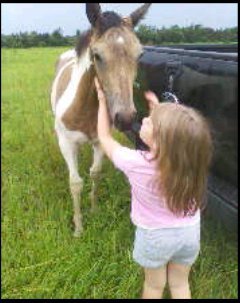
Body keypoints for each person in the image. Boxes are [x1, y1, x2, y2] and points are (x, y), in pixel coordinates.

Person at [95, 77, 213, 299]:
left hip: (154, 238)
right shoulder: (192, 162)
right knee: (180, 284)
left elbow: (104, 137)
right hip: (189, 233)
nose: (145, 120)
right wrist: (160, 110)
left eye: (150, 122)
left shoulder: (136, 163)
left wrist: (102, 101)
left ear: (159, 142)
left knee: (154, 286)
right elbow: (178, 138)